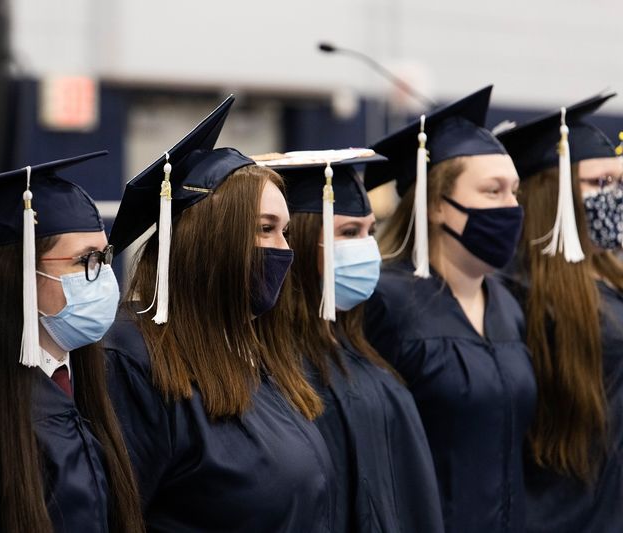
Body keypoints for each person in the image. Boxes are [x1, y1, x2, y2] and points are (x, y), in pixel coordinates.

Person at [104, 96, 335, 532]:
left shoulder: (255, 352)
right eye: (265, 229)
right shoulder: (133, 359)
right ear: (211, 240)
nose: (285, 250)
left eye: (284, 232)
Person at [0, 153, 145, 533]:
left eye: (104, 258)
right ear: (17, 273)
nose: (102, 277)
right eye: (85, 260)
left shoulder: (90, 376)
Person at [363, 86, 538, 533]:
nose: (511, 208)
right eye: (493, 191)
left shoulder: (507, 303)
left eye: (514, 192)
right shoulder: (386, 302)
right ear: (439, 204)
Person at [255, 149, 445, 533]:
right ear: (303, 241)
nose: (365, 248)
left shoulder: (358, 349)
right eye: (348, 233)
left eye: (370, 232)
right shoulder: (274, 372)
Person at [496, 92, 623, 533]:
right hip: (563, 511)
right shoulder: (521, 295)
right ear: (554, 194)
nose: (614, 197)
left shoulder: (610, 275)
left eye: (618, 183)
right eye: (598, 183)